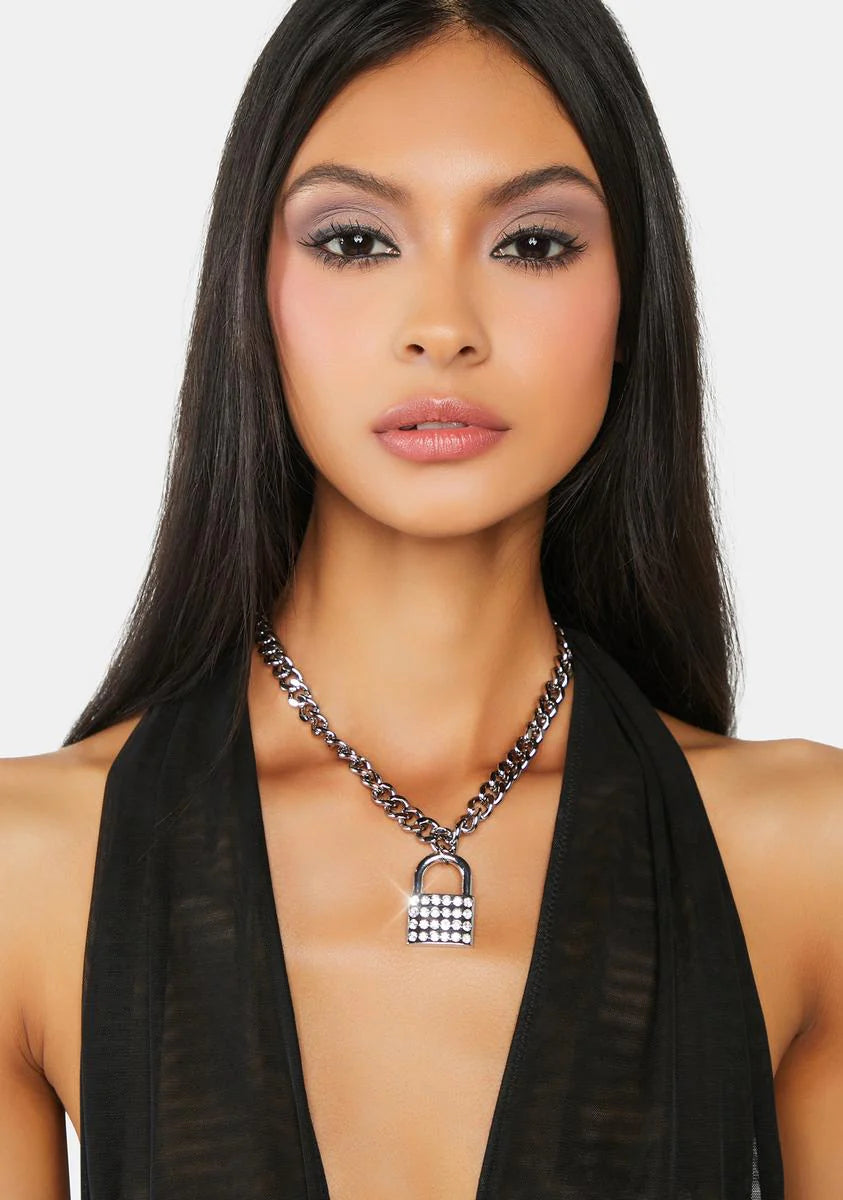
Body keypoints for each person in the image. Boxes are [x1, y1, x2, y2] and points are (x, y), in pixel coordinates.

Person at [1, 1, 841, 1196]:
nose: (443, 329)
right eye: (355, 241)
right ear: (251, 293)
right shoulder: (29, 869)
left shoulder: (808, 859)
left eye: (533, 244)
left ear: (632, 301)